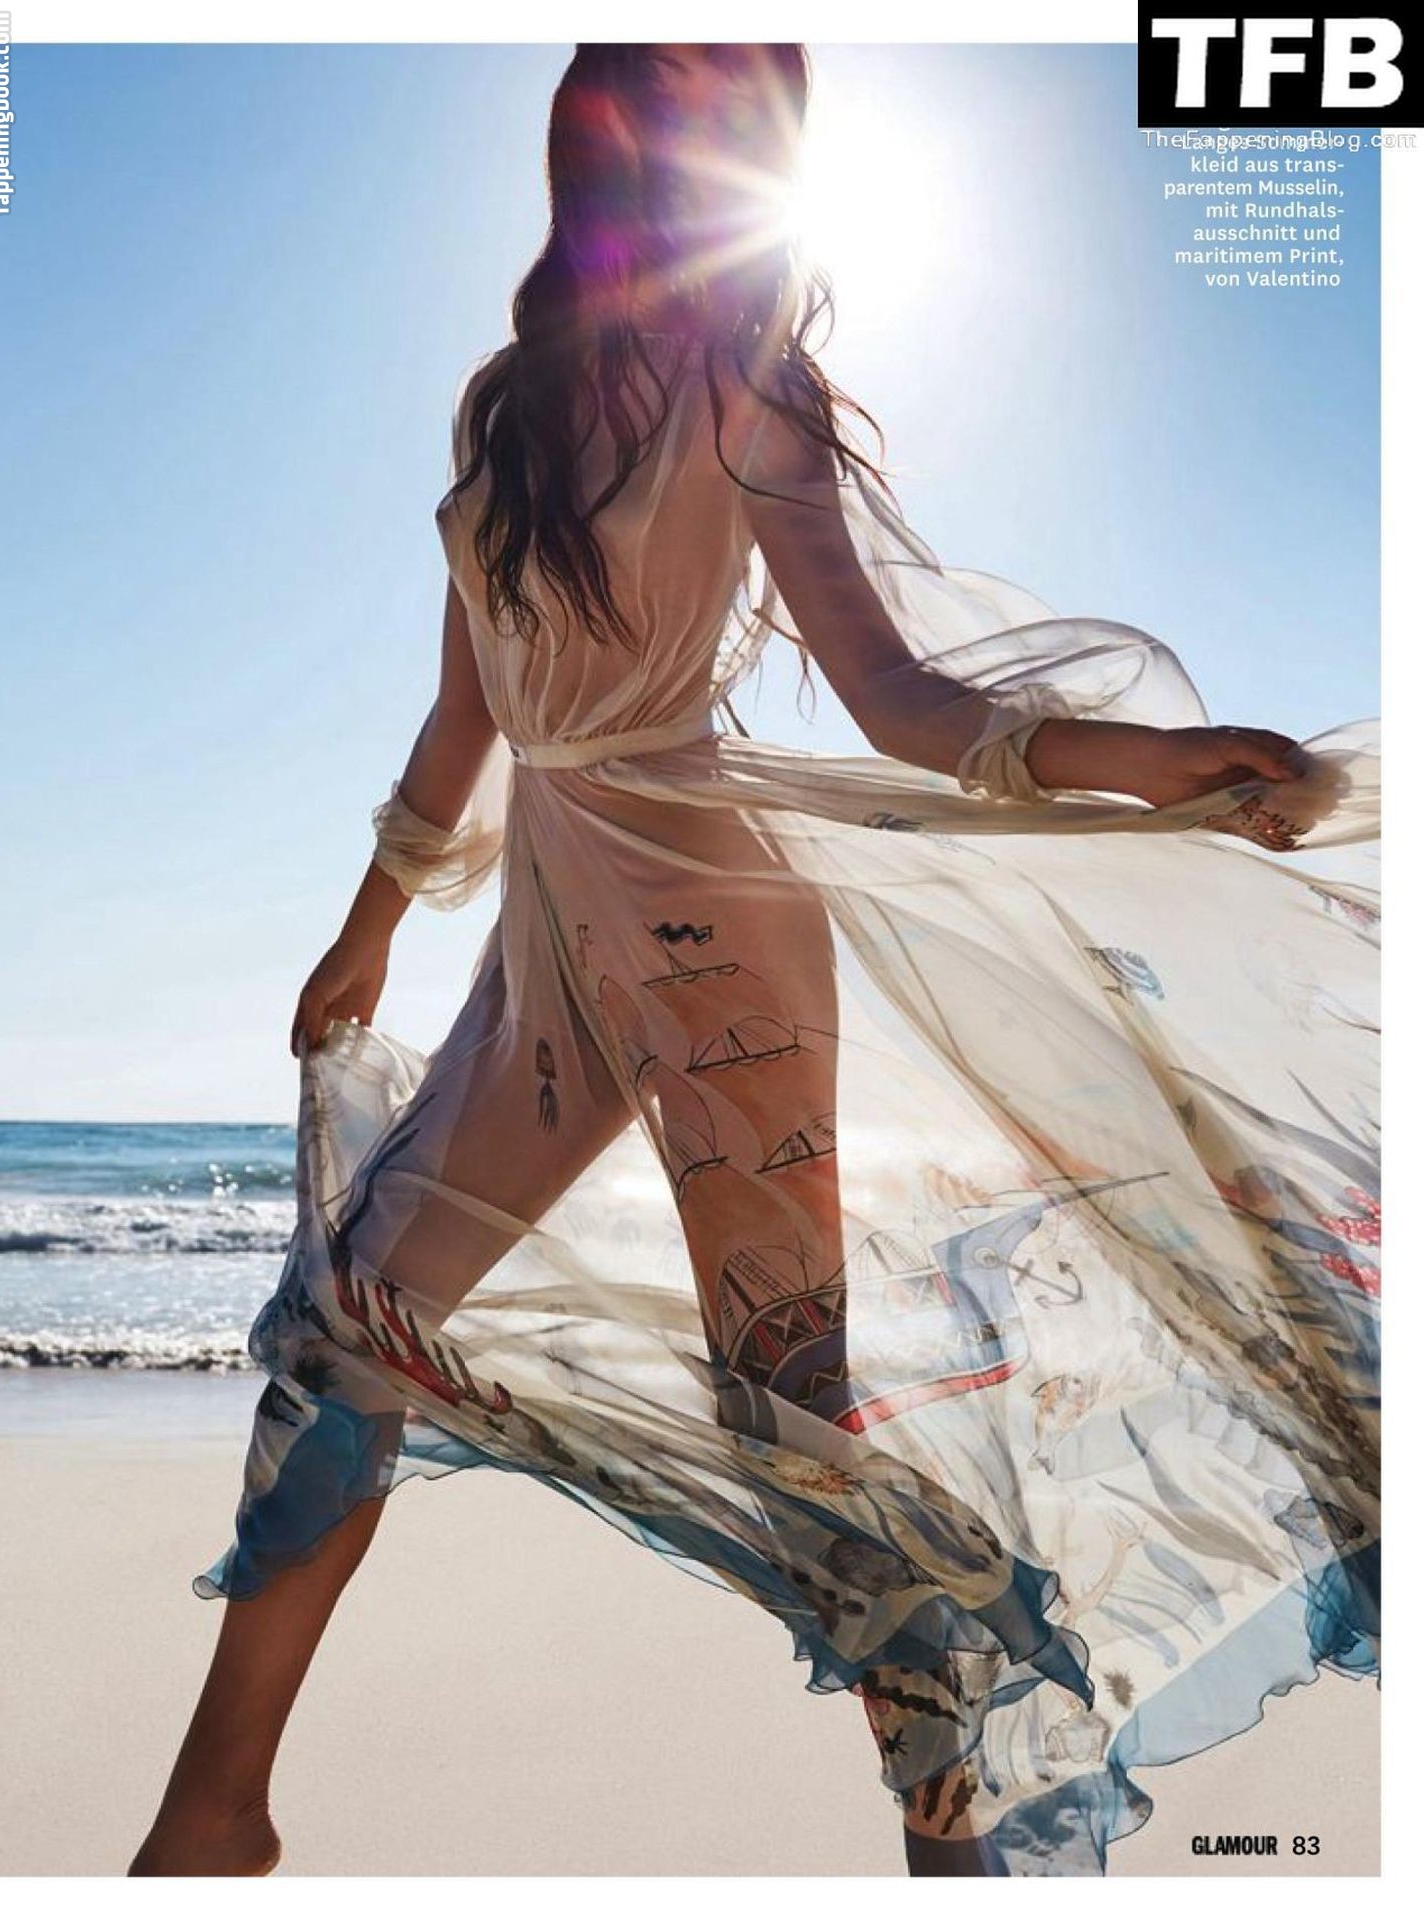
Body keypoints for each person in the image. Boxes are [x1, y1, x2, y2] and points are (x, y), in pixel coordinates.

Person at [129, 43, 1380, 1879]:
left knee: (786, 1412)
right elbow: (466, 707)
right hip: (545, 949)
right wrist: (371, 921)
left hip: (717, 937)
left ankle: (952, 1848)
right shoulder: (500, 407)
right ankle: (213, 1813)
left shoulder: (751, 391)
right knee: (344, 1331)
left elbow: (898, 697)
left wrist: (1147, 765)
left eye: (744, 128)